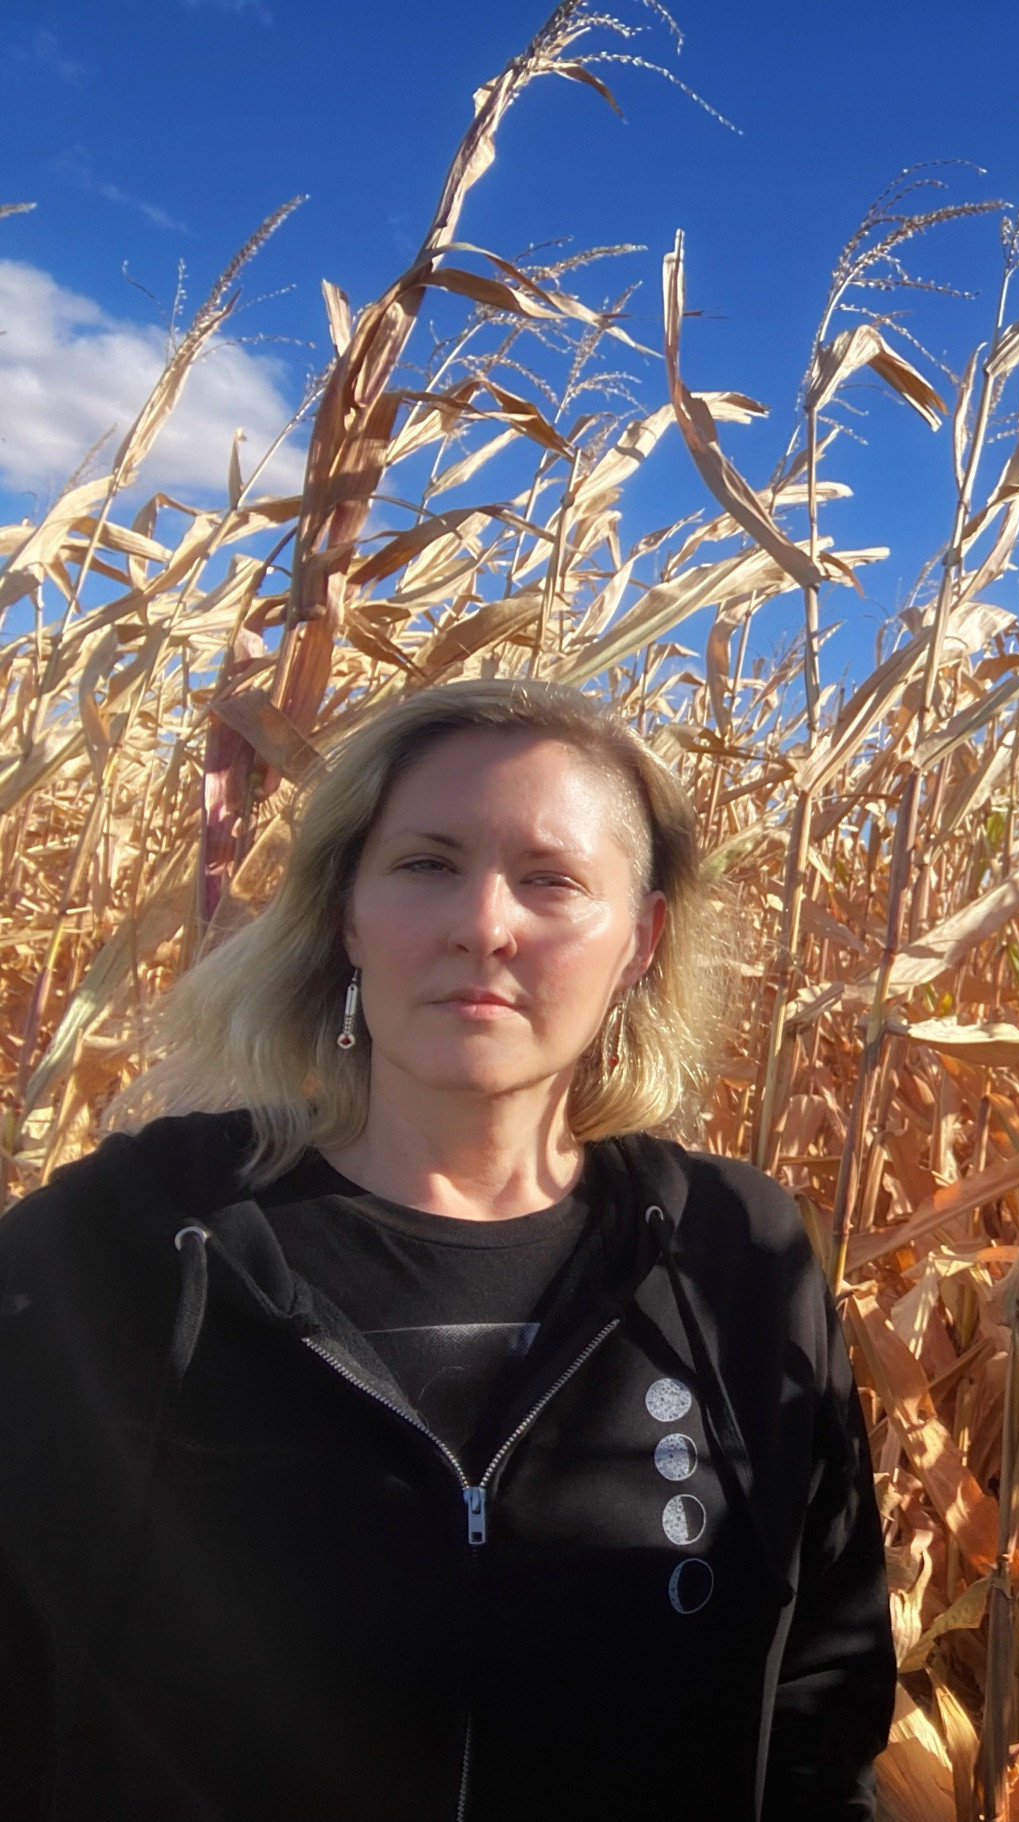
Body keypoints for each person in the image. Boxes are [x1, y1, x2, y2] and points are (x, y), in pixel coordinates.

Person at [0, 680, 894, 1821]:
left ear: (639, 939)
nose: (484, 921)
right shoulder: (122, 1249)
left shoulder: (738, 1264)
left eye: (551, 879)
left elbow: (819, 1708)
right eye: (426, 863)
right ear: (345, 913)